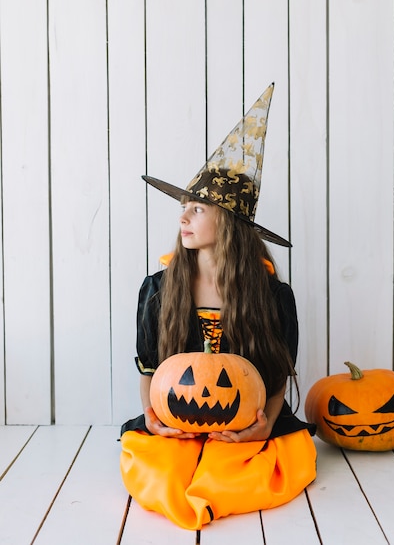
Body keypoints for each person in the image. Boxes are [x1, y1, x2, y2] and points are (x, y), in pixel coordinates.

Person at [120, 84, 316, 530]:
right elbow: (150, 371)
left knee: (265, 464)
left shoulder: (271, 296)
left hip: (250, 420)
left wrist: (265, 424)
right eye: (183, 208)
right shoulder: (158, 289)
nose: (182, 218)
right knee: (159, 467)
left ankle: (215, 493)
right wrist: (154, 421)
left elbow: (277, 372)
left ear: (227, 220)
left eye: (196, 209)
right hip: (178, 422)